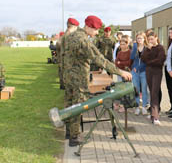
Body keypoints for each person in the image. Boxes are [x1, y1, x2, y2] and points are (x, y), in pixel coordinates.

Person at [64, 15, 132, 147]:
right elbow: (99, 59)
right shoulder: (83, 40)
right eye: (95, 30)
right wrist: (120, 72)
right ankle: (75, 137)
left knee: (70, 103)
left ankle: (69, 131)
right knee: (78, 106)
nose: (96, 33)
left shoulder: (70, 36)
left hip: (68, 77)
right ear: (88, 27)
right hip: (78, 78)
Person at [141, 32, 166, 125]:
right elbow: (143, 58)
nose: (150, 41)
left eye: (152, 39)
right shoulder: (148, 48)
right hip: (148, 72)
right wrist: (148, 50)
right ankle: (154, 111)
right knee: (152, 91)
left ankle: (155, 117)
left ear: (156, 38)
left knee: (154, 92)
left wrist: (149, 62)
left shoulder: (160, 48)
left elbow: (160, 60)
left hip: (157, 72)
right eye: (149, 39)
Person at [130, 32, 149, 115]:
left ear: (144, 39)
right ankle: (137, 107)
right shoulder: (135, 47)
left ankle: (144, 107)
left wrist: (138, 67)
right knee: (136, 90)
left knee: (144, 90)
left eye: (141, 38)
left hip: (144, 71)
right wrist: (134, 46)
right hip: (134, 72)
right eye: (138, 38)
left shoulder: (147, 48)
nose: (139, 40)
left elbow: (146, 61)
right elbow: (131, 57)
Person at [114, 38, 132, 113]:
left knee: (125, 90)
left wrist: (120, 63)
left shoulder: (129, 52)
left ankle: (124, 106)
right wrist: (120, 63)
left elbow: (129, 62)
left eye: (124, 44)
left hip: (127, 73)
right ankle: (119, 104)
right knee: (119, 88)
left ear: (127, 44)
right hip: (120, 72)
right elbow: (116, 62)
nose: (122, 46)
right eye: (121, 44)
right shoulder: (119, 53)